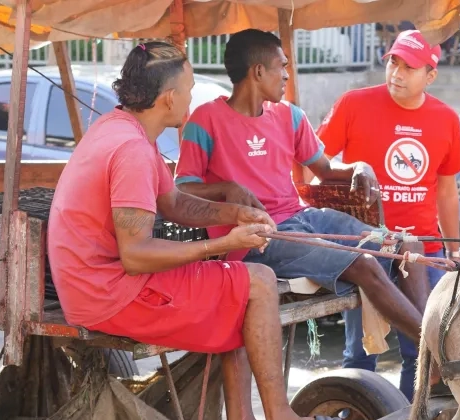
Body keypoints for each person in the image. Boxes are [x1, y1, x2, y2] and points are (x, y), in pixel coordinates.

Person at [47, 41, 359, 420]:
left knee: (238, 286)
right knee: (258, 281)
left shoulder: (120, 127)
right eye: (190, 89)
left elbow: (173, 201)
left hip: (98, 284)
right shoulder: (132, 150)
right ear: (168, 98)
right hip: (108, 294)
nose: (193, 98)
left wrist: (233, 212)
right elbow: (136, 255)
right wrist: (223, 244)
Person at [173, 29, 430, 355]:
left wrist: (360, 167)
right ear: (258, 72)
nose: (286, 75)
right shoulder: (206, 119)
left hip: (304, 219)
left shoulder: (290, 116)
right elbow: (182, 189)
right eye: (282, 66)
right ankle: (434, 351)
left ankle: (431, 353)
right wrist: (226, 187)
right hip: (259, 239)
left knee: (409, 246)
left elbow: (325, 170)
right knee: (364, 263)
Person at [316, 29, 460, 401]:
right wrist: (349, 172)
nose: (397, 72)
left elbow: (446, 189)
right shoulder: (353, 103)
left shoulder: (446, 119)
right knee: (360, 352)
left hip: (423, 250)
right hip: (366, 250)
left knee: (420, 351)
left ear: (430, 75)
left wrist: (454, 248)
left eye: (409, 67)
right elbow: (315, 162)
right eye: (393, 62)